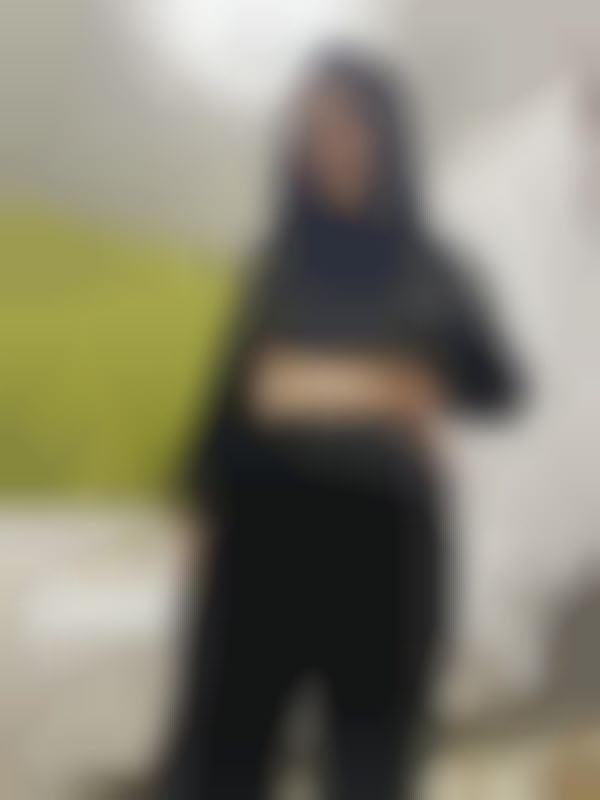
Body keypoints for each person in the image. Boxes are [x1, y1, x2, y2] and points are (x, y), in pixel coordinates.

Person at [160, 50, 521, 799]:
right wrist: (200, 505)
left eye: (348, 125)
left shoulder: (433, 267)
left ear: (386, 136)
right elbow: (232, 397)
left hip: (385, 557)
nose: (331, 145)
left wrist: (411, 386)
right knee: (217, 764)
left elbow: (498, 383)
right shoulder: (280, 263)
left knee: (370, 770)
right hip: (259, 550)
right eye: (314, 129)